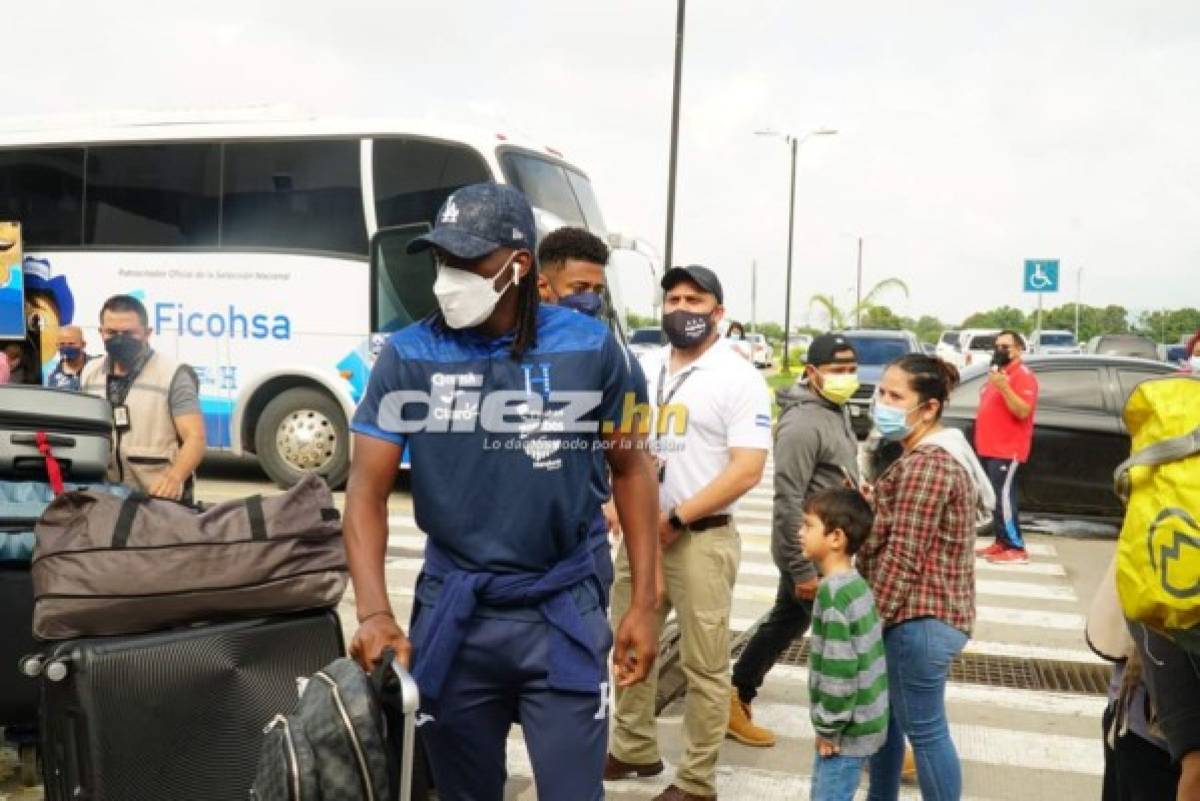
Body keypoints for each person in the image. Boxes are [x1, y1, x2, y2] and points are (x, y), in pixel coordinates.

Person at [343, 183, 659, 801]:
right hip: (454, 610)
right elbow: (364, 492)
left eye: (466, 263)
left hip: (561, 605)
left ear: (517, 266)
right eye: (441, 261)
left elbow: (633, 470)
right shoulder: (407, 356)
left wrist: (645, 601)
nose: (446, 279)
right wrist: (375, 612)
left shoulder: (593, 348)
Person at [607, 265, 772, 801]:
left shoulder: (739, 377)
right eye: (672, 298)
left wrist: (677, 519)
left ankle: (696, 781)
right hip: (639, 538)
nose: (681, 308)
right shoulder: (646, 366)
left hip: (700, 540)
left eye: (694, 299)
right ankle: (633, 749)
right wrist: (617, 502)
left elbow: (747, 468)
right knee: (629, 641)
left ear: (718, 312)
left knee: (704, 665)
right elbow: (624, 443)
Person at [728, 333, 861, 747]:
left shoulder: (834, 409)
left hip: (831, 545)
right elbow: (787, 498)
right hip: (811, 549)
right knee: (846, 641)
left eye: (851, 369)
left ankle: (735, 695)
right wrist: (801, 565)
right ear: (812, 373)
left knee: (787, 621)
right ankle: (864, 733)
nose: (847, 377)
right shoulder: (802, 423)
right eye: (838, 370)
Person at [856, 355, 976, 801]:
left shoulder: (929, 464)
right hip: (915, 618)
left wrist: (869, 623)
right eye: (881, 392)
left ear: (928, 408)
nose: (882, 403)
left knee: (925, 732)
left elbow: (905, 555)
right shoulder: (918, 456)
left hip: (917, 619)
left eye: (894, 396)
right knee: (885, 727)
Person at [535, 224, 649, 608]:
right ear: (542, 288)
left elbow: (633, 460)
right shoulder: (502, 351)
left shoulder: (617, 360)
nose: (590, 301)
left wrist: (646, 591)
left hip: (581, 546)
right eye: (579, 289)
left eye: (597, 291)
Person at [800, 488, 888, 801]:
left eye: (808, 525)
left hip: (846, 730)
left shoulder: (833, 595)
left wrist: (828, 727)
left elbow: (840, 670)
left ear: (835, 538)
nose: (801, 533)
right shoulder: (855, 583)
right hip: (866, 719)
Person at [79, 295, 206, 501]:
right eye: (111, 332)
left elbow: (195, 438)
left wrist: (174, 478)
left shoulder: (172, 374)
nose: (120, 338)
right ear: (101, 332)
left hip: (158, 497)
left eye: (129, 333)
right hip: (106, 495)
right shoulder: (90, 372)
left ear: (147, 333)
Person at [974, 329, 1038, 565]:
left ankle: (1015, 546)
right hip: (990, 447)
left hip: (1007, 449)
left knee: (1004, 498)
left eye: (1005, 347)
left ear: (1019, 348)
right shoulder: (998, 374)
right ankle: (1001, 542)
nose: (999, 351)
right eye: (997, 346)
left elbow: (1022, 411)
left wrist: (1004, 387)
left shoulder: (1023, 376)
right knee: (995, 498)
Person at [44, 325, 92, 391]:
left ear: (83, 344)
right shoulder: (49, 371)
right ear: (57, 346)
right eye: (62, 344)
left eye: (71, 343)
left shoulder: (98, 365)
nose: (66, 347)